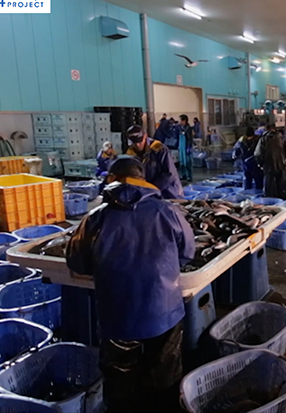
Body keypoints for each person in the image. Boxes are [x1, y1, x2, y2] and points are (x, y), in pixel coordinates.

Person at [66, 156, 196, 413]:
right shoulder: (168, 211)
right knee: (165, 376)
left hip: (118, 316)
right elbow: (187, 253)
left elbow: (77, 263)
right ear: (142, 179)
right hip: (164, 312)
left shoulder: (95, 218)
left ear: (112, 179)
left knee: (120, 382)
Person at [125, 125, 183, 199]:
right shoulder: (131, 153)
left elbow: (169, 173)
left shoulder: (159, 149)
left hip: (168, 192)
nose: (137, 145)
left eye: (140, 141)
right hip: (149, 193)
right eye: (134, 142)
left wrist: (151, 189)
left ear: (145, 136)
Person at [255, 124, 286, 198]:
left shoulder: (263, 139)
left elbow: (258, 154)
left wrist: (260, 164)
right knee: (281, 186)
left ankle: (269, 202)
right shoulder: (282, 137)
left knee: (268, 186)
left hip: (268, 165)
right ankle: (282, 201)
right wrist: (282, 158)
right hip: (281, 165)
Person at [177, 115, 194, 181]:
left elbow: (190, 139)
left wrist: (189, 147)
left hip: (186, 147)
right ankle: (183, 175)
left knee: (187, 162)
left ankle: (189, 176)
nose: (180, 121)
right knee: (181, 162)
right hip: (181, 147)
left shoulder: (188, 128)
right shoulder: (180, 128)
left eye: (181, 120)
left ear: (184, 121)